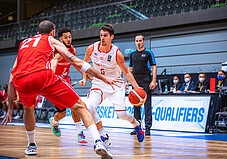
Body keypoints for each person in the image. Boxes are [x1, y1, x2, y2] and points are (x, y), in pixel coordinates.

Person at [1, 20, 122, 159]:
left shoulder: (24, 43)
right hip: (43, 77)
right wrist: (103, 78)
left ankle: (31, 146)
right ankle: (98, 142)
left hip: (21, 81)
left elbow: (11, 79)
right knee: (80, 106)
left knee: (29, 109)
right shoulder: (50, 40)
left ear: (37, 33)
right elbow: (76, 61)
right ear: (53, 32)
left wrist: (10, 107)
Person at [79, 24, 145, 145]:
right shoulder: (91, 48)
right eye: (101, 35)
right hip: (99, 83)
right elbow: (84, 64)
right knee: (90, 106)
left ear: (112, 37)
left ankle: (136, 124)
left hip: (115, 84)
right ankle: (103, 134)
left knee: (121, 114)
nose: (102, 38)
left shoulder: (117, 53)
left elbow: (127, 73)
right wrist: (84, 77)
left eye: (105, 36)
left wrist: (136, 87)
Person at [49, 27, 87, 144]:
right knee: (62, 113)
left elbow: (77, 65)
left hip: (66, 81)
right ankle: (54, 121)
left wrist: (84, 77)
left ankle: (80, 133)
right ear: (60, 39)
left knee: (74, 105)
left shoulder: (73, 51)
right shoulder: (56, 52)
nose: (68, 39)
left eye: (70, 37)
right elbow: (53, 64)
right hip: (54, 83)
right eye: (66, 37)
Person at [127, 35, 157, 136]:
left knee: (147, 105)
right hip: (135, 81)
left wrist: (153, 80)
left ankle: (148, 128)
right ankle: (137, 128)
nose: (138, 42)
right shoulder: (132, 54)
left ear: (143, 41)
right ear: (135, 42)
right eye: (137, 41)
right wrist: (127, 81)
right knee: (136, 104)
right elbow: (129, 69)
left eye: (140, 40)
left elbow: (154, 67)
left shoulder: (148, 53)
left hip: (146, 80)